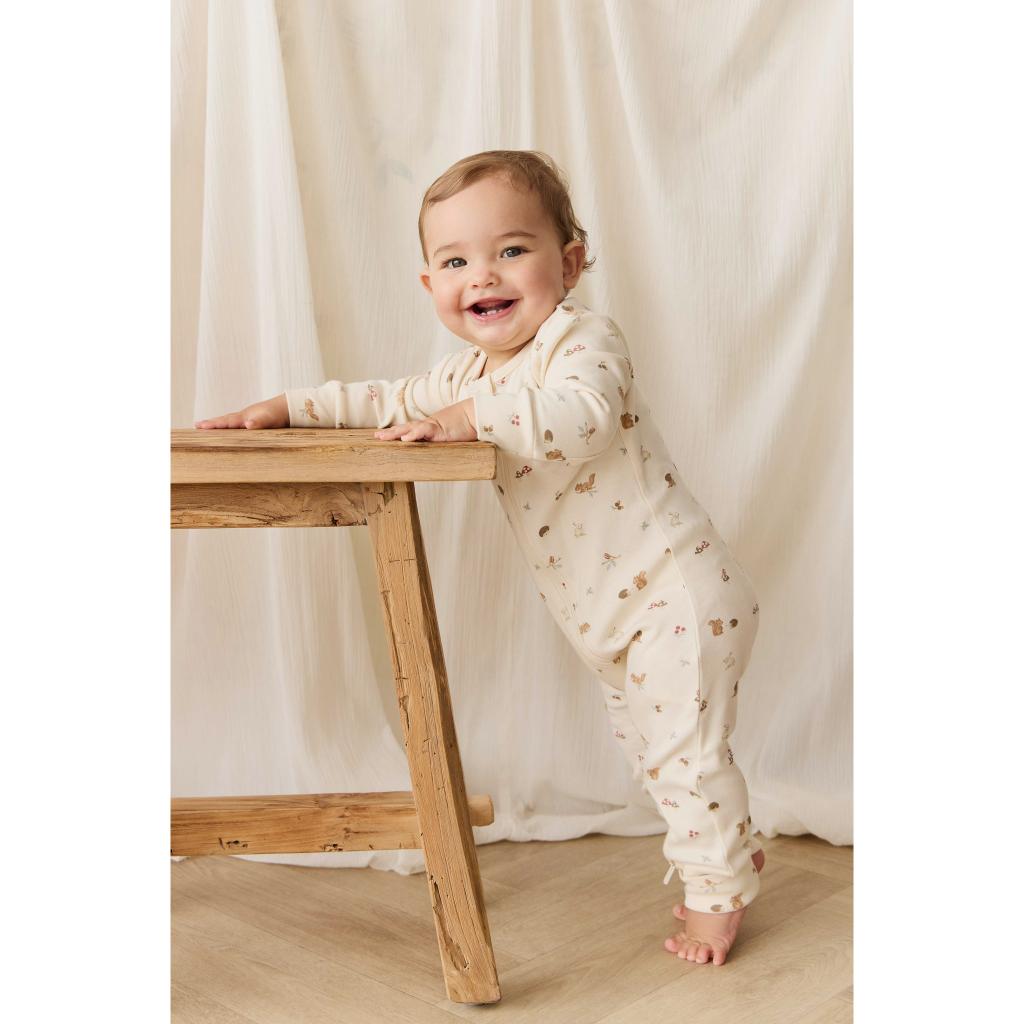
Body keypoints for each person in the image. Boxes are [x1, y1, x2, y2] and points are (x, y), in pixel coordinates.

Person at [195, 149, 766, 966]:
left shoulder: (582, 340)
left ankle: (717, 899)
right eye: (456, 262)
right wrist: (292, 406)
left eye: (511, 249)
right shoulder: (470, 369)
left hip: (674, 595)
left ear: (569, 263)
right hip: (606, 614)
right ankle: (729, 849)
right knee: (657, 753)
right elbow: (389, 399)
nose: (483, 275)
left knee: (684, 756)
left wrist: (469, 418)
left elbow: (583, 416)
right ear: (430, 285)